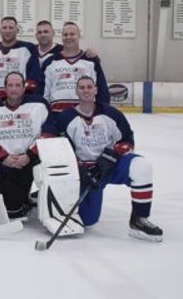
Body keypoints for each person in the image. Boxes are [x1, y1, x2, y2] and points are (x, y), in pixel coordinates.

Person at [42, 76, 163, 241]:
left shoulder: (111, 113)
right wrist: (79, 169)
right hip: (85, 174)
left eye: (89, 87)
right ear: (76, 91)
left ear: (96, 90)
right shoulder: (65, 117)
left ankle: (139, 220)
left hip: (109, 167)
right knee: (88, 220)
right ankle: (41, 199)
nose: (86, 90)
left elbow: (127, 141)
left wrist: (111, 157)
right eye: (82, 87)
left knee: (141, 167)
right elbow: (58, 146)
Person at [0, 72, 49, 219]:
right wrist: (3, 158)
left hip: (31, 159)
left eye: (17, 85)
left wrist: (30, 155)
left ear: (24, 87)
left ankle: (30, 195)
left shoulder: (39, 105)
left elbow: (50, 131)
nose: (14, 89)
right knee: (12, 211)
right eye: (10, 85)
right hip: (6, 162)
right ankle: (11, 194)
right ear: (5, 88)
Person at [39, 21, 109, 112]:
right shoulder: (50, 62)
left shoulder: (91, 60)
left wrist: (103, 112)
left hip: (85, 113)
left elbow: (102, 90)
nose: (68, 37)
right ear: (61, 37)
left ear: (79, 35)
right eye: (65, 35)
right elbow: (43, 93)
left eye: (72, 34)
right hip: (57, 114)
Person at [0, 16, 41, 97]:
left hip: (19, 98)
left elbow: (33, 78)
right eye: (4, 28)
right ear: (0, 30)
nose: (7, 31)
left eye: (11, 28)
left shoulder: (28, 48)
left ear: (17, 30)